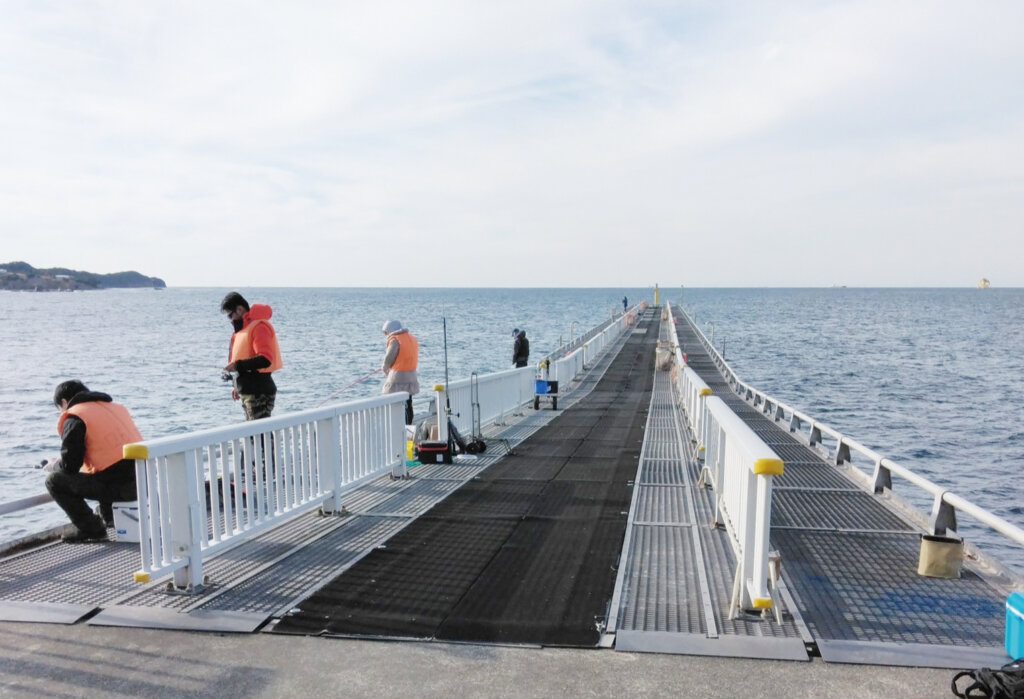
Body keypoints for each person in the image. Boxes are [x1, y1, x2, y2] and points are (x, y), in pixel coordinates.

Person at [46, 380, 143, 543]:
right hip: (143, 480)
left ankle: (92, 529)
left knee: (54, 481)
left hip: (120, 488)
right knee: (108, 469)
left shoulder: (75, 417)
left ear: (63, 402)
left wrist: (55, 465)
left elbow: (70, 466)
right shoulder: (115, 408)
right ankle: (110, 518)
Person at [221, 291, 282, 420]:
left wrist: (237, 365)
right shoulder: (244, 330)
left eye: (230, 315)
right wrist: (237, 386)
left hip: (259, 392)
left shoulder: (259, 327)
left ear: (240, 309)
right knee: (256, 436)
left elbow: (265, 358)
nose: (230, 320)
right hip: (249, 391)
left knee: (260, 436)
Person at [381, 320, 419, 424]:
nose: (386, 335)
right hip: (411, 376)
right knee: (408, 403)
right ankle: (409, 426)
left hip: (398, 378)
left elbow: (389, 358)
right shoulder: (411, 338)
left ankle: (399, 427)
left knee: (397, 404)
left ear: (390, 330)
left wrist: (385, 368)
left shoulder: (395, 340)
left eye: (386, 332)